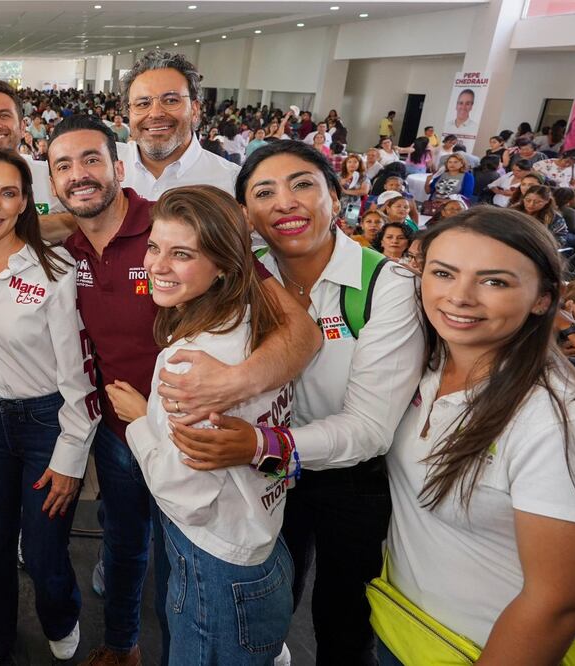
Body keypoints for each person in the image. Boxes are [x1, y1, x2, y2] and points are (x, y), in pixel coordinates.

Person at [45, 115, 320, 666]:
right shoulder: (66, 243)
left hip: (191, 442)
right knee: (124, 546)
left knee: (186, 566)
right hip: (120, 433)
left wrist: (228, 384)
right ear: (52, 181)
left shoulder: (174, 226)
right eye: (63, 166)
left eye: (92, 160)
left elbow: (303, 331)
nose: (79, 175)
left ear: (119, 168)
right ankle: (123, 644)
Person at [170, 140, 424, 666]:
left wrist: (264, 443)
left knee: (343, 614)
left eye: (303, 184)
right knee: (267, 594)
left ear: (336, 196)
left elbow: (370, 429)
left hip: (348, 475)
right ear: (247, 215)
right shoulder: (248, 272)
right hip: (262, 468)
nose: (285, 202)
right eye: (265, 192)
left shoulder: (386, 285)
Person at [376, 209, 575, 665]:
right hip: (405, 629)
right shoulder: (426, 364)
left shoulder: (561, 422)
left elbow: (561, 603)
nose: (459, 297)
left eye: (494, 281)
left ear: (543, 299)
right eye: (442, 273)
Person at [114, 185, 296, 666]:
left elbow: (186, 497)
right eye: (154, 247)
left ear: (223, 266)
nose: (157, 265)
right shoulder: (256, 321)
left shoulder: (190, 362)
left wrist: (138, 423)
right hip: (262, 545)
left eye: (182, 254)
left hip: (216, 568)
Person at [0, 149, 97, 665]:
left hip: (46, 422)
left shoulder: (55, 270)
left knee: (42, 545)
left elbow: (78, 376)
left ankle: (61, 614)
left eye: (8, 193)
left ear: (25, 203)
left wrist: (70, 456)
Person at [116, 51, 240, 200]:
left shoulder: (231, 183)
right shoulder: (105, 167)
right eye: (143, 104)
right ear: (129, 112)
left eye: (171, 100)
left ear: (195, 109)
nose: (155, 113)